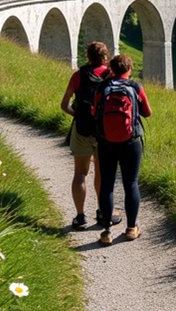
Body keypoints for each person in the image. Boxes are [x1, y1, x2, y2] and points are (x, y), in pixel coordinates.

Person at [60, 41, 121, 229]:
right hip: (104, 131)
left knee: (80, 173)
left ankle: (80, 217)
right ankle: (103, 213)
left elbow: (64, 105)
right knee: (101, 173)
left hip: (82, 128)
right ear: (105, 56)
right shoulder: (111, 75)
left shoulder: (78, 75)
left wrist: (77, 115)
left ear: (88, 56)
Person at [93, 54, 152, 245]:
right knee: (131, 183)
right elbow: (147, 112)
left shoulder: (103, 87)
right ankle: (131, 228)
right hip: (131, 141)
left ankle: (107, 231)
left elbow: (95, 112)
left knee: (107, 185)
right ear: (129, 69)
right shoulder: (135, 87)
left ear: (112, 69)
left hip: (106, 142)